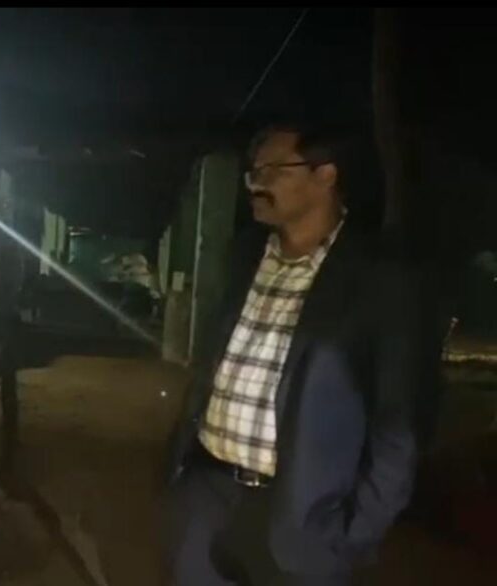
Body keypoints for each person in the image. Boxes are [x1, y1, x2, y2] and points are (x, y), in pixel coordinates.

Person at [164, 124, 441, 585]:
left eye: (273, 170)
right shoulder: (245, 255)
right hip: (207, 498)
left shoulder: (380, 279)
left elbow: (398, 426)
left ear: (325, 175)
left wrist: (356, 532)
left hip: (304, 520)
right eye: (253, 171)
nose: (256, 183)